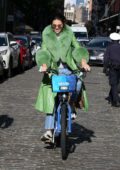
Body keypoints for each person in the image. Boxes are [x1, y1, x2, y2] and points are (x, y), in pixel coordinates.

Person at [35, 13, 91, 143]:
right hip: (53, 70)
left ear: (63, 24)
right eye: (54, 25)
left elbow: (77, 47)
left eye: (59, 25)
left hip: (69, 68)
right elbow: (43, 50)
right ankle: (49, 131)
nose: (56, 28)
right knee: (51, 99)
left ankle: (71, 106)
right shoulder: (46, 34)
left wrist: (83, 62)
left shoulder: (69, 33)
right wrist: (44, 64)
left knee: (78, 84)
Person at [104, 32, 120, 107]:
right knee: (115, 84)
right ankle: (111, 97)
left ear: (112, 40)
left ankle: (116, 101)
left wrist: (105, 68)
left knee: (114, 84)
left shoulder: (109, 48)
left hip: (113, 68)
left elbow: (106, 59)